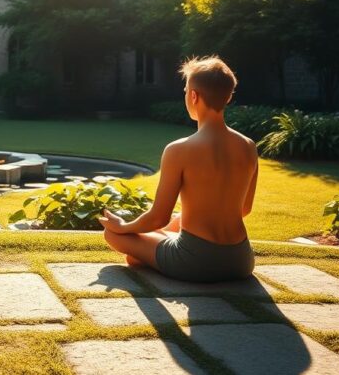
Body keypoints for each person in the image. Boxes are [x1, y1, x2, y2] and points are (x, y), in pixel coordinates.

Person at [99, 56, 257, 282]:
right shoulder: (248, 146)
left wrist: (123, 226)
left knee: (112, 235)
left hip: (194, 262)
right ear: (228, 96)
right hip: (240, 260)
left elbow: (158, 218)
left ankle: (150, 252)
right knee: (175, 221)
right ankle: (152, 250)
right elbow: (243, 209)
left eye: (185, 90)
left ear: (193, 96)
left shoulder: (179, 150)